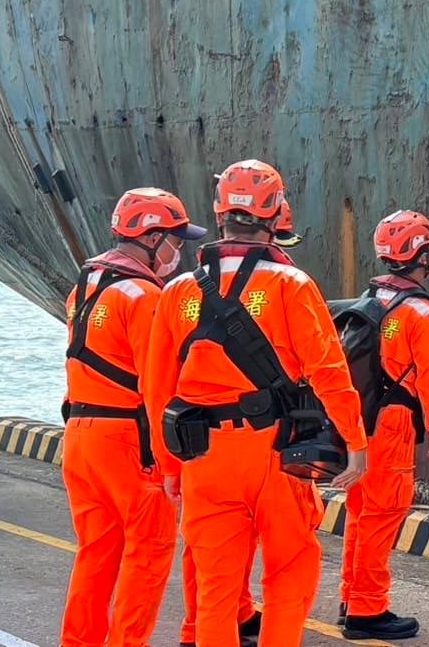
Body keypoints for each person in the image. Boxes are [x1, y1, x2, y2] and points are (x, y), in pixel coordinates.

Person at [144, 159, 368, 647]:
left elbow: (157, 389)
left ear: (220, 211)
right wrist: (354, 441)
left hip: (203, 456)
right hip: (276, 452)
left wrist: (170, 465)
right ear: (277, 213)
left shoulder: (178, 290)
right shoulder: (292, 285)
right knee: (289, 569)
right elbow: (330, 370)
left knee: (216, 586)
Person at [59, 187, 205, 647]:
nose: (178, 251)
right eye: (175, 240)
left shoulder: (83, 287)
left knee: (96, 554)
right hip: (128, 441)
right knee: (149, 553)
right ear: (152, 237)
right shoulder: (144, 296)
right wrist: (172, 460)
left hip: (82, 437)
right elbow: (158, 383)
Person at [338, 210, 429, 640]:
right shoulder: (421, 312)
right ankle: (368, 610)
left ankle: (350, 598)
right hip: (393, 425)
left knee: (358, 511)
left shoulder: (368, 301)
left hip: (359, 422)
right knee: (383, 515)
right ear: (421, 255)